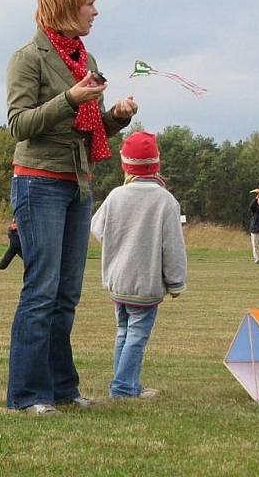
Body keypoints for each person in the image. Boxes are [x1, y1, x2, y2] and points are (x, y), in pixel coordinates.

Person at [5, 0, 138, 415]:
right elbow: (18, 125)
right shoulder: (29, 58)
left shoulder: (86, 59)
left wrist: (115, 117)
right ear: (65, 7)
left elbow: (88, 131)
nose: (95, 11)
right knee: (40, 292)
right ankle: (27, 396)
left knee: (66, 295)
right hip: (38, 181)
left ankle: (63, 390)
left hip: (78, 183)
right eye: (88, 3)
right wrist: (69, 99)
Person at [91, 131, 187, 399]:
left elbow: (98, 229)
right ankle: (123, 387)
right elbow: (173, 246)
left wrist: (120, 243)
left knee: (124, 331)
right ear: (156, 163)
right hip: (144, 281)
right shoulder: (165, 200)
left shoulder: (116, 195)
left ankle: (129, 385)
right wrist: (176, 281)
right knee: (137, 335)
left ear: (125, 164)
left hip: (118, 280)